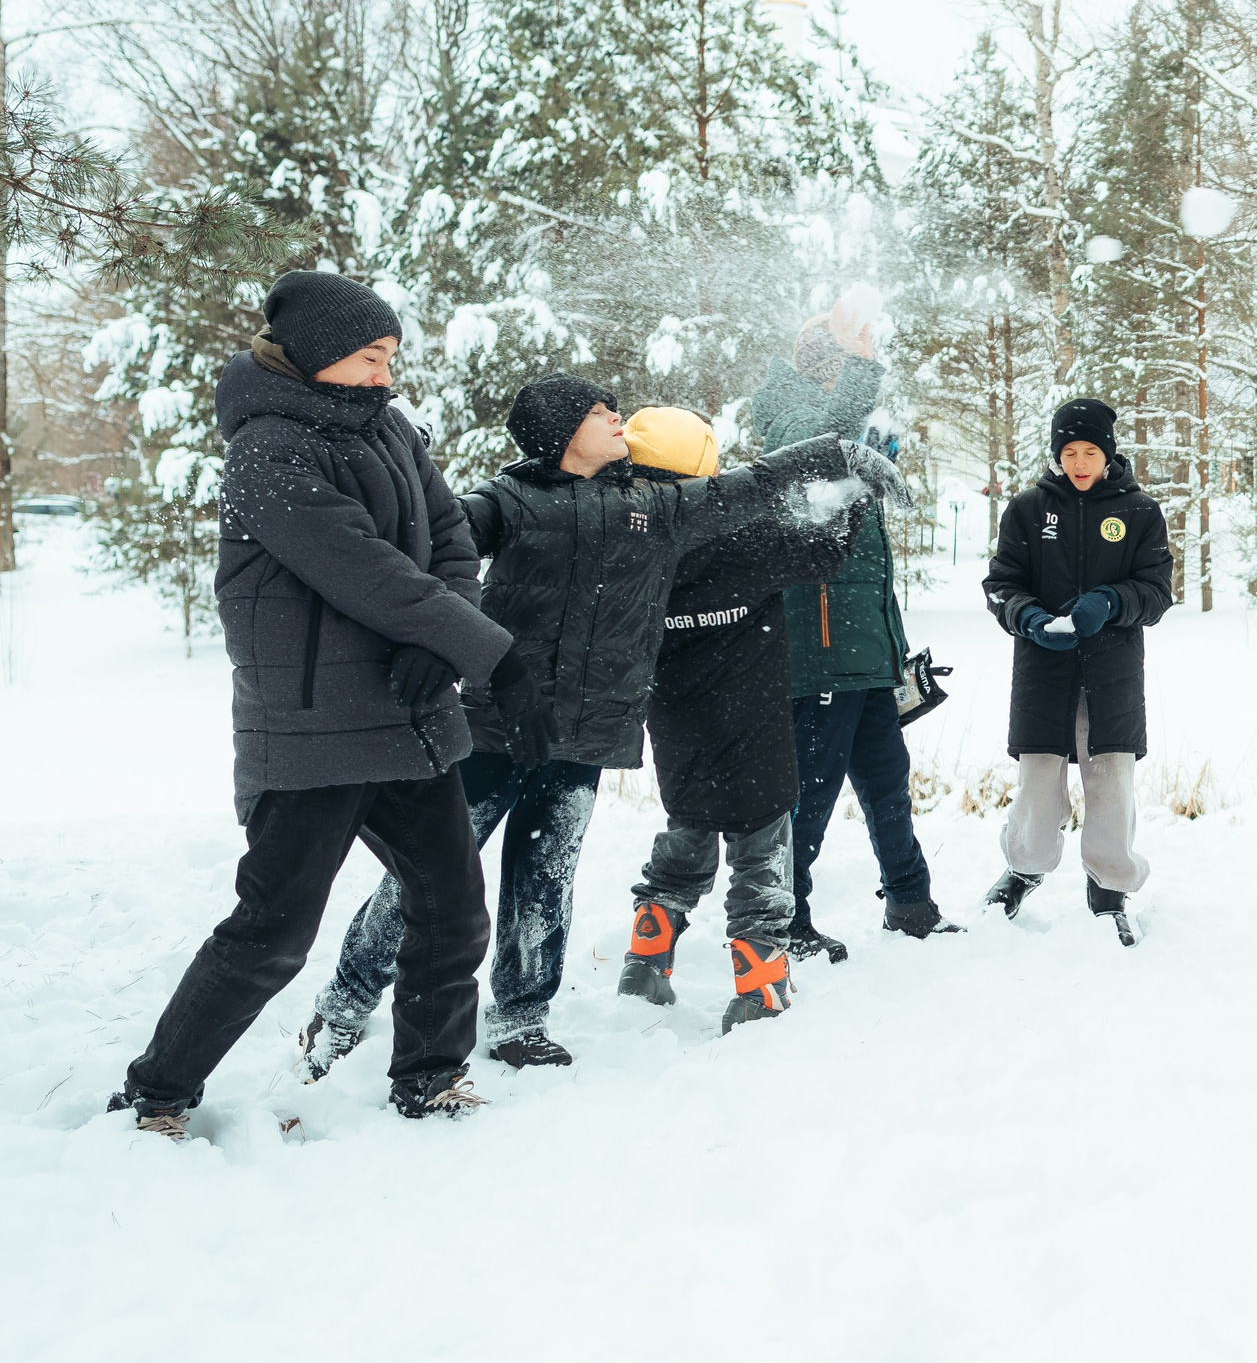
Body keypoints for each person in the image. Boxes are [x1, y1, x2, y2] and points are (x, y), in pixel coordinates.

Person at [302, 373, 862, 1074]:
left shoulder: (649, 507)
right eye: (605, 412)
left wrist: (836, 454)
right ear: (566, 433)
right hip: (492, 724)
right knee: (424, 874)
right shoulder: (508, 502)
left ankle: (521, 1018)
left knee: (545, 875)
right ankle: (345, 1002)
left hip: (580, 738)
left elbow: (741, 488)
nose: (620, 419)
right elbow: (433, 538)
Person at [110, 272, 544, 1134]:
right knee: (272, 930)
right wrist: (481, 648)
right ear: (314, 356)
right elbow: (357, 565)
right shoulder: (265, 449)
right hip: (313, 726)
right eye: (369, 356)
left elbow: (451, 538)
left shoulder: (389, 429)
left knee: (453, 909)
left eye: (390, 355)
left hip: (408, 720)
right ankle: (159, 1090)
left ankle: (429, 1075)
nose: (385, 373)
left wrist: (438, 639)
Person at [614, 408, 871, 1031]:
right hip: (751, 723)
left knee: (688, 828)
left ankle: (649, 946)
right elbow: (826, 546)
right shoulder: (739, 542)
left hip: (675, 723)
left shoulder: (629, 541)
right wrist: (857, 492)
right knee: (762, 850)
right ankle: (760, 982)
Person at [749, 302, 953, 959]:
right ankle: (787, 918)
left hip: (865, 651)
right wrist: (863, 360)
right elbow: (823, 438)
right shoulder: (783, 412)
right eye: (835, 361)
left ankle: (911, 901)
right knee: (809, 795)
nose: (843, 375)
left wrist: (896, 655)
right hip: (819, 652)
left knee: (889, 782)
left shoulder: (844, 425)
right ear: (814, 363)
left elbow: (869, 560)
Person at [980, 398, 1174, 945]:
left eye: (1090, 451)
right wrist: (1029, 616)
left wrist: (1112, 601)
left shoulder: (1140, 513)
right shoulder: (1026, 509)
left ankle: (1110, 889)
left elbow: (1157, 593)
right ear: (1056, 454)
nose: (1080, 462)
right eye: (1069, 451)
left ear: (1108, 453)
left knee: (1111, 783)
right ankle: (1024, 869)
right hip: (1044, 670)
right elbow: (1001, 585)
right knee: (1038, 782)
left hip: (1112, 675)